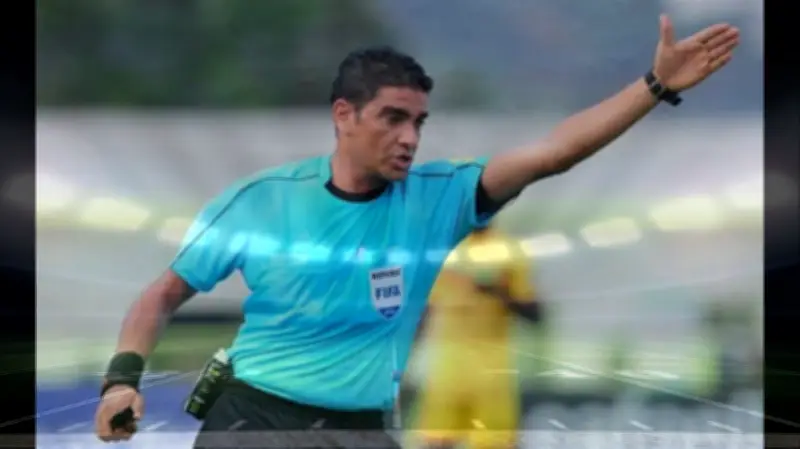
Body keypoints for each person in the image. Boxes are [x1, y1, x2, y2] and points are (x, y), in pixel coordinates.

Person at [94, 15, 739, 448]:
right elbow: (162, 295)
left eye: (419, 122)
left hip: (365, 429)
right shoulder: (259, 201)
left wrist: (654, 86)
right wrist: (121, 381)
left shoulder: (440, 197)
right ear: (343, 115)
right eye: (392, 118)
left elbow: (553, 153)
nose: (409, 137)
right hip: (252, 420)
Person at [413, 223, 542, 449]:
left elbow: (534, 314)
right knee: (437, 442)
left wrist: (496, 291)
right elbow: (426, 310)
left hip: (491, 372)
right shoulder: (443, 250)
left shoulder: (507, 250)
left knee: (494, 443)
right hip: (448, 370)